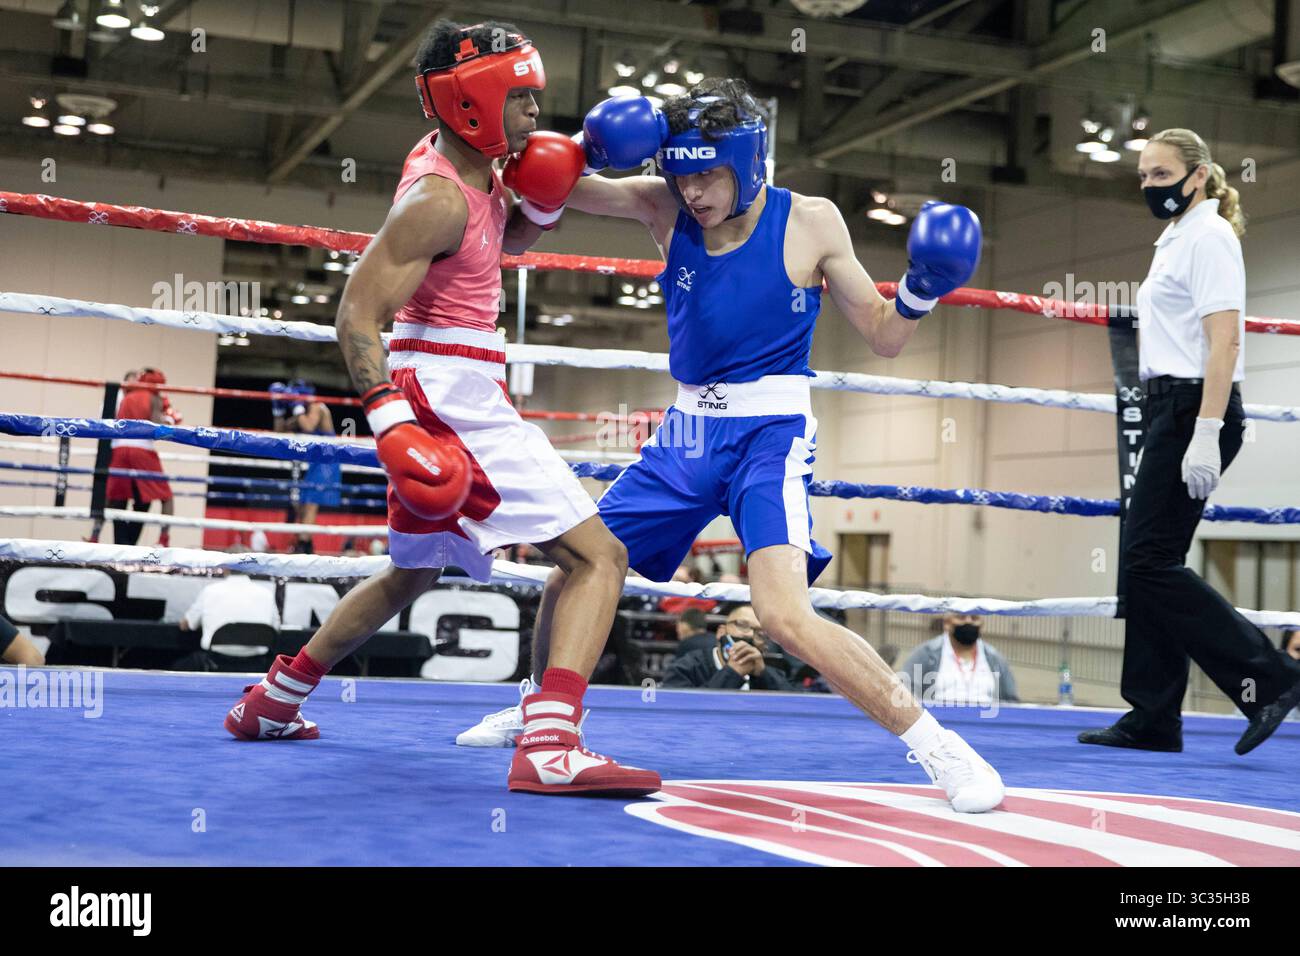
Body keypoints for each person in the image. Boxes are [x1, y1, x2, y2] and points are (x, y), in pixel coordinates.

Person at [460, 79, 1003, 812]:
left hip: (769, 434)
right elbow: (549, 182)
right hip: (685, 431)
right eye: (681, 173)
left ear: (748, 162)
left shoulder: (811, 221)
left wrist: (921, 288)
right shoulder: (661, 203)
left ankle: (945, 751)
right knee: (580, 563)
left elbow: (884, 335)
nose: (692, 191)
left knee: (783, 614)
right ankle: (543, 713)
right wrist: (586, 146)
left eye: (708, 173)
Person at [223, 19, 658, 797]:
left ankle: (273, 701)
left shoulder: (474, 166)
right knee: (600, 557)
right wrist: (390, 420)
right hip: (452, 392)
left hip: (447, 382)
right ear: (473, 103)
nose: (534, 114)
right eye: (521, 98)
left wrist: (548, 201)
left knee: (409, 572)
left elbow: (503, 247)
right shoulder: (434, 196)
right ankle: (552, 746)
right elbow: (355, 315)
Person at [1078, 128, 1300, 756]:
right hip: (1169, 408)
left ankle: (1271, 677)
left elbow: (1224, 340)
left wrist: (1206, 430)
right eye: (1143, 175)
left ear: (1197, 175)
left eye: (1160, 173)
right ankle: (1153, 716)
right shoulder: (1176, 238)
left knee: (1146, 561)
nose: (1149, 185)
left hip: (1190, 408)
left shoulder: (1209, 236)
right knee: (1152, 564)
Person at [101, 367, 175, 547]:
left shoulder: (127, 396)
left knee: (115, 498)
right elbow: (157, 428)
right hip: (141, 450)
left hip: (119, 450)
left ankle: (100, 536)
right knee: (166, 496)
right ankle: (163, 539)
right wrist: (170, 422)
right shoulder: (153, 397)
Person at [271, 379, 340, 554]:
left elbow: (308, 426)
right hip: (312, 464)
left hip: (326, 462)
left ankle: (303, 547)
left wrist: (298, 407)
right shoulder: (301, 412)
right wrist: (277, 410)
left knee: (310, 504)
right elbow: (280, 432)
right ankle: (306, 545)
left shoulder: (318, 407)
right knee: (301, 506)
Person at [661, 603, 795, 691]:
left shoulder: (772, 672)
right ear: (721, 632)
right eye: (742, 625)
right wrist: (732, 673)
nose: (749, 634)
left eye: (760, 634)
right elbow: (686, 714)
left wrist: (764, 675)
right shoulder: (686, 668)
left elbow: (795, 706)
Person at [896, 613, 1019, 706]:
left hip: (986, 728)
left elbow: (1011, 700)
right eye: (961, 617)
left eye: (974, 618)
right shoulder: (925, 654)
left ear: (982, 625)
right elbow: (905, 694)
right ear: (947, 623)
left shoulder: (995, 658)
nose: (968, 621)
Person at [180, 572, 280, 659]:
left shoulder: (209, 591)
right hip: (259, 663)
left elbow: (185, 625)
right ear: (250, 568)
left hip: (215, 662)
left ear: (224, 567)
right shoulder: (266, 594)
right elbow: (276, 629)